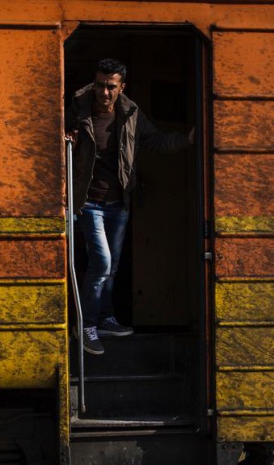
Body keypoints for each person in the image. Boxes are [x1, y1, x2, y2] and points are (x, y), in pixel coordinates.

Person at [66, 58, 193, 355]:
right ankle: (85, 325)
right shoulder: (78, 110)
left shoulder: (131, 114)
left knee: (112, 268)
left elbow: (154, 141)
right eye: (100, 85)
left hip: (118, 203)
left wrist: (187, 140)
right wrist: (65, 140)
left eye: (111, 87)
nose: (104, 93)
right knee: (101, 264)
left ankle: (107, 318)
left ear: (122, 87)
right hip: (89, 202)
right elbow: (56, 139)